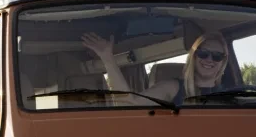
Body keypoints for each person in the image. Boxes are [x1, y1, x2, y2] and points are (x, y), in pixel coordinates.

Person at [82, 31, 233, 106]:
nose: (209, 60)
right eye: (203, 53)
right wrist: (107, 57)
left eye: (217, 56)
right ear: (193, 56)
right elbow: (129, 103)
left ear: (223, 61)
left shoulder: (231, 96)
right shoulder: (173, 88)